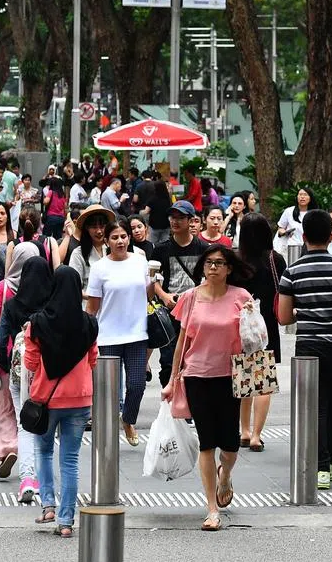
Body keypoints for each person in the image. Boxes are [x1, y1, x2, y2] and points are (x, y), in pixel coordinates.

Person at [163, 245, 254, 531]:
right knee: (206, 441)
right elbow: (181, 342)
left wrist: (253, 316)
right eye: (209, 263)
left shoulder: (241, 297)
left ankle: (225, 475)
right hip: (197, 376)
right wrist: (172, 379)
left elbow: (255, 338)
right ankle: (211, 509)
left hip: (231, 376)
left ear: (229, 269)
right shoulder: (190, 298)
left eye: (219, 263)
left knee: (229, 444)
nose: (213, 267)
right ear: (203, 268)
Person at [277, 209, 332, 491]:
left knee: (315, 404)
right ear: (331, 235)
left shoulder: (292, 272)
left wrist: (305, 312)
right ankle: (329, 462)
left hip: (309, 344)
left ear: (303, 237)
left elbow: (283, 317)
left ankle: (319, 466)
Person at [25, 265, 98, 535]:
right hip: (80, 400)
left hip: (47, 400)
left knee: (43, 451)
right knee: (70, 460)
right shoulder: (90, 322)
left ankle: (48, 506)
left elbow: (31, 363)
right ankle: (66, 522)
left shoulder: (38, 323)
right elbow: (93, 360)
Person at [86, 219, 151, 446]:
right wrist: (87, 335)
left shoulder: (140, 261)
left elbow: (148, 294)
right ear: (106, 241)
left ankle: (128, 420)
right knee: (107, 391)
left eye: (123, 236)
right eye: (114, 237)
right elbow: (92, 307)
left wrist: (155, 282)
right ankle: (106, 430)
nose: (120, 241)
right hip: (108, 336)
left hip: (137, 334)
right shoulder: (99, 268)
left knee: (137, 385)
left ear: (129, 238)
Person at [0, 241, 42, 485]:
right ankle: (31, 451)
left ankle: (8, 447)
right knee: (30, 405)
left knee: (5, 407)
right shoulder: (46, 289)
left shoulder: (4, 288)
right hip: (39, 361)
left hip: (9, 357)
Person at [0, 256, 49, 503]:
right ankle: (42, 478)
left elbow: (0, 340)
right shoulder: (51, 305)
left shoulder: (12, 305)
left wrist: (7, 367)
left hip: (19, 372)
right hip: (47, 374)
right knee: (46, 426)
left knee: (24, 423)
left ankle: (27, 478)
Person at [236, 212, 285, 451]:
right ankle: (256, 435)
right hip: (266, 326)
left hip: (241, 327)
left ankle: (244, 432)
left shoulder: (236, 260)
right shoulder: (276, 260)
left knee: (244, 377)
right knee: (263, 381)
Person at [152, 200, 209, 386]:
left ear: (191, 221)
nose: (175, 221)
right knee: (168, 363)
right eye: (172, 217)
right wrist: (164, 296)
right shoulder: (161, 249)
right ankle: (169, 404)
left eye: (181, 218)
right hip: (170, 311)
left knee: (194, 361)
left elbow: (210, 279)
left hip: (196, 312)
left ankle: (189, 407)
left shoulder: (203, 249)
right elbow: (152, 280)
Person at [69, 204, 115, 291]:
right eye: (94, 227)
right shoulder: (78, 253)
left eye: (102, 226)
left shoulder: (113, 248)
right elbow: (74, 286)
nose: (99, 231)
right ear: (87, 228)